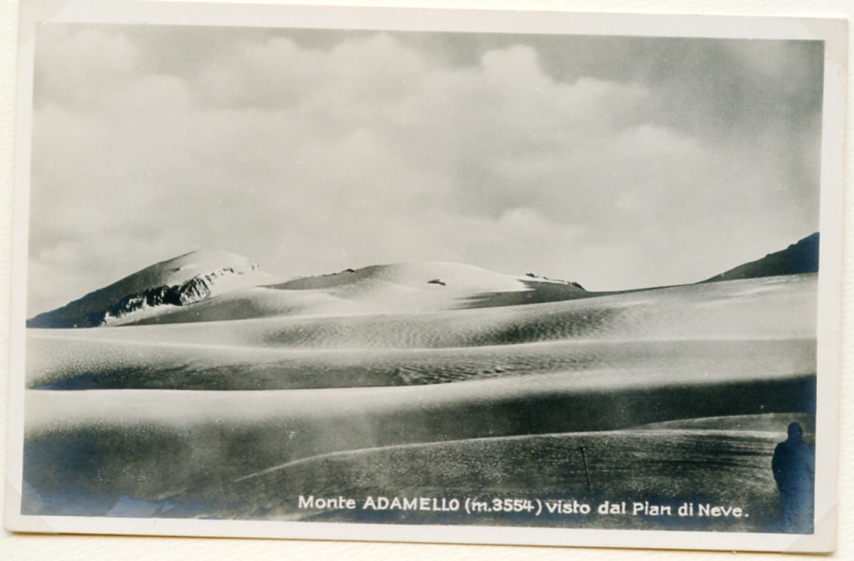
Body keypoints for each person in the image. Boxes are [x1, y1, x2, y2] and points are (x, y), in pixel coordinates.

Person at [771, 422, 815, 533]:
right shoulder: (803, 447)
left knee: (788, 513)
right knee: (802, 514)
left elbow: (775, 468)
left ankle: (790, 533)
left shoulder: (781, 447)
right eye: (800, 431)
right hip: (802, 485)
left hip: (786, 485)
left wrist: (780, 483)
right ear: (798, 433)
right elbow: (812, 467)